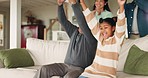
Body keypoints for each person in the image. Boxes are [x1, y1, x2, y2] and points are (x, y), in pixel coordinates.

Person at [33, 0, 97, 78]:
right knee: (44, 69)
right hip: (65, 66)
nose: (81, 22)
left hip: (79, 69)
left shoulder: (91, 36)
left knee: (69, 76)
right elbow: (62, 21)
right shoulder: (74, 31)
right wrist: (60, 5)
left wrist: (74, 4)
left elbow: (82, 22)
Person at [77, 0, 126, 78]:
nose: (103, 31)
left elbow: (121, 25)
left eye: (106, 28)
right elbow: (91, 21)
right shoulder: (100, 38)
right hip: (91, 72)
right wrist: (82, 2)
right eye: (101, 28)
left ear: (113, 28)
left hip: (106, 75)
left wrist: (121, 6)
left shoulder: (117, 40)